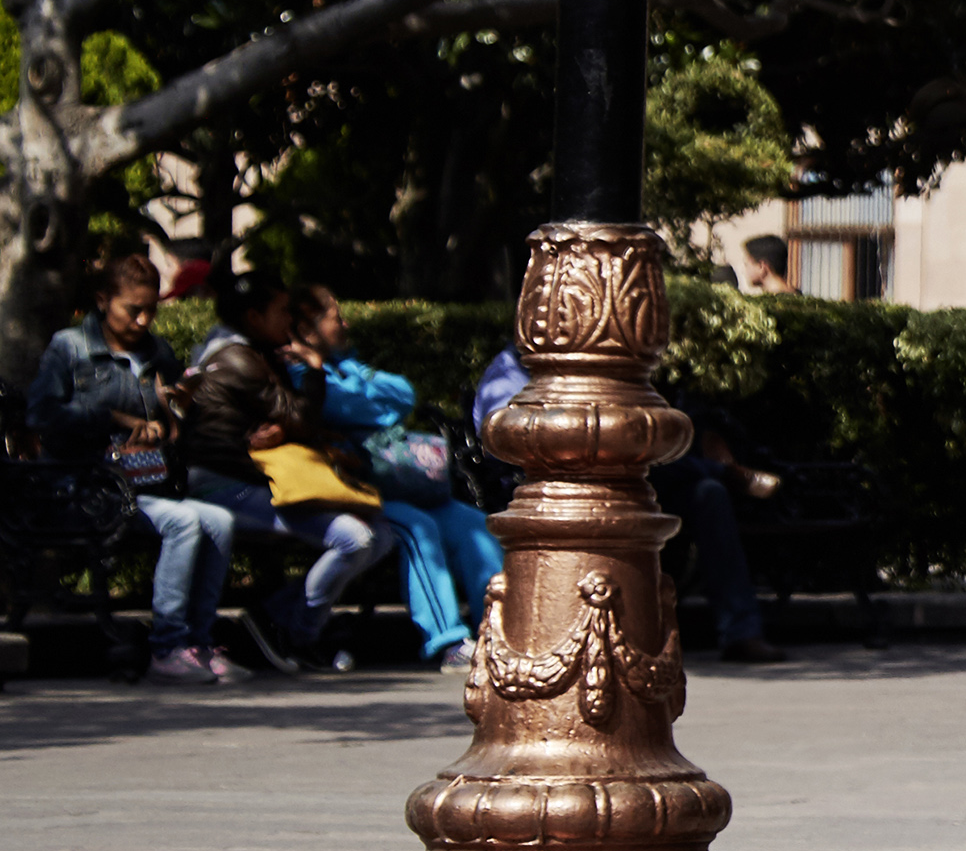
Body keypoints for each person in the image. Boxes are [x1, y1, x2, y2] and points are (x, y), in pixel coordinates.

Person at [471, 342, 787, 666]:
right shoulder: (508, 374)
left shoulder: (595, 363)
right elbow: (510, 443)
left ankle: (741, 631)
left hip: (623, 478)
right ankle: (724, 471)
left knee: (708, 494)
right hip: (553, 488)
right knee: (682, 474)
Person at [24, 251, 235, 684]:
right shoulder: (70, 347)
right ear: (103, 300)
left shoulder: (159, 352)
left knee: (219, 521)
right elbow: (41, 415)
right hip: (82, 487)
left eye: (151, 310)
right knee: (182, 522)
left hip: (142, 483)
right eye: (133, 310)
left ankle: (198, 642)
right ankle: (167, 646)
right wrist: (111, 419)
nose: (143, 321)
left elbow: (176, 423)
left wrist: (172, 417)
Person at [174, 271, 393, 673]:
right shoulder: (237, 358)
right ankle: (299, 637)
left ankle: (271, 617)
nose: (289, 320)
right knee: (355, 538)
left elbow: (292, 421)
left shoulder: (262, 353)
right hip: (225, 486)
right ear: (254, 317)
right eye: (281, 312)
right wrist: (314, 368)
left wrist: (287, 424)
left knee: (381, 536)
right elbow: (301, 419)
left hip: (264, 482)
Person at [297, 287, 500, 673]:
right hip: (357, 492)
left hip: (402, 484)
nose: (345, 323)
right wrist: (370, 399)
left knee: (473, 525)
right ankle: (450, 643)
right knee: (416, 528)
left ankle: (498, 633)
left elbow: (404, 394)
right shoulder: (300, 373)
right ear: (308, 330)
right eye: (335, 318)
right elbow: (350, 407)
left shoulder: (347, 366)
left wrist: (360, 384)